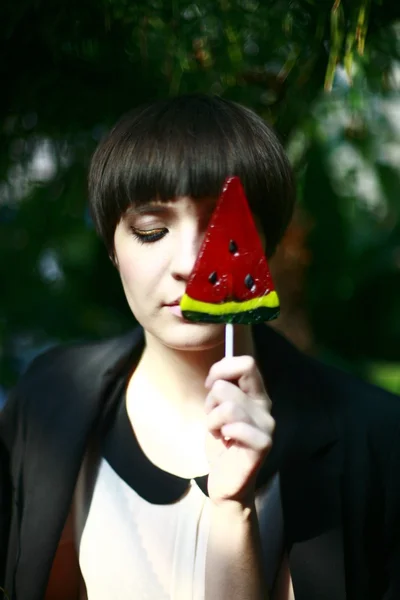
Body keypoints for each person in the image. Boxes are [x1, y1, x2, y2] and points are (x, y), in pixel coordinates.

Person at [0, 93, 399, 600]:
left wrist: (235, 513)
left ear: (268, 241)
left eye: (219, 228)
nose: (190, 262)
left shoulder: (380, 440)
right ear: (111, 246)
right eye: (152, 231)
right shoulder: (47, 400)